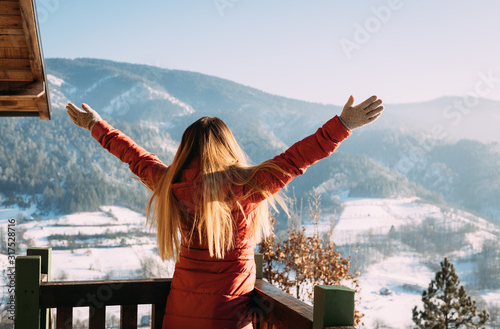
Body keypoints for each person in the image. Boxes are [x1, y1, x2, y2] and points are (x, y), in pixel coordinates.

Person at [66, 95, 383, 329]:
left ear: (186, 149)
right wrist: (342, 125)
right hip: (228, 318)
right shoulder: (249, 186)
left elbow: (135, 157)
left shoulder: (169, 185)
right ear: (228, 146)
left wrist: (95, 125)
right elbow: (296, 158)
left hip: (178, 318)